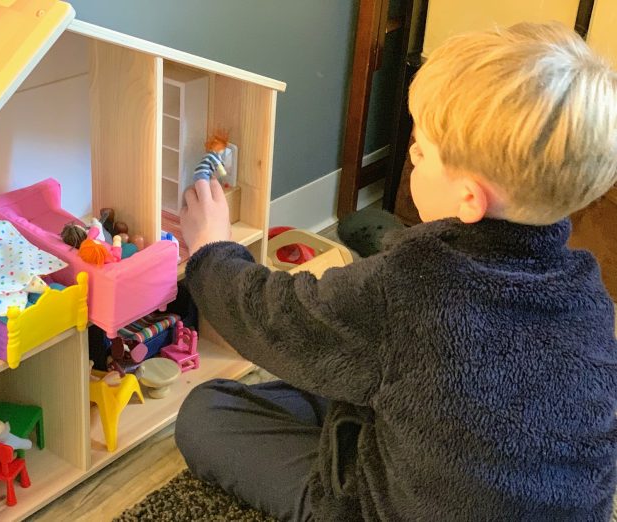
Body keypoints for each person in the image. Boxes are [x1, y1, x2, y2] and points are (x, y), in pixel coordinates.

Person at [175, 22, 617, 521]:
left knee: (206, 413)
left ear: (469, 198)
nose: (409, 155)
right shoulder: (589, 293)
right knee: (360, 362)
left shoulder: (408, 287)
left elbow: (271, 317)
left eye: (421, 151)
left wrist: (212, 250)